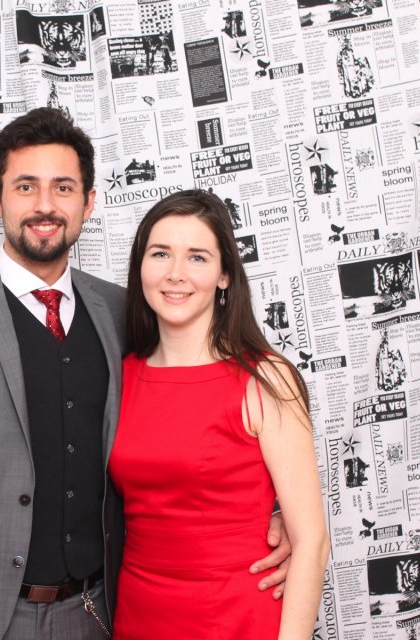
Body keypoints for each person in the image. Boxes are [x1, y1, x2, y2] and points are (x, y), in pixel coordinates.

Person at [0, 110, 292, 640]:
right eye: (26, 187)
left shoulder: (123, 311)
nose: (45, 205)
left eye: (63, 188)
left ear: (88, 202)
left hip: (99, 613)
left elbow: (190, 412)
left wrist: (270, 515)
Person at [109, 190, 329, 639]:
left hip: (236, 617)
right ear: (140, 266)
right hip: (139, 616)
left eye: (197, 257)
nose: (175, 273)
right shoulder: (119, 377)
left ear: (224, 274)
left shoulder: (265, 379)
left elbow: (311, 542)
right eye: (160, 254)